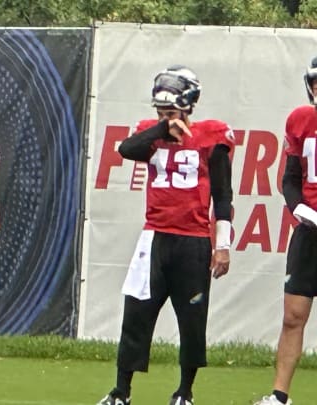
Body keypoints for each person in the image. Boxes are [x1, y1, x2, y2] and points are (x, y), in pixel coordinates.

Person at [96, 65, 234, 405]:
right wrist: (161, 127)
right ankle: (121, 392)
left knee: (191, 320)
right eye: (160, 112)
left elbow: (223, 194)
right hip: (154, 238)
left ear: (188, 107)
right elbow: (126, 149)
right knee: (136, 313)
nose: (165, 117)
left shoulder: (211, 136)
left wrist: (224, 245)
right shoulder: (151, 134)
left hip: (194, 241)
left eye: (170, 112)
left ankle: (185, 392)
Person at [253, 57, 317, 405]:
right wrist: (300, 209)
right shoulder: (301, 120)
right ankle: (279, 397)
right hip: (310, 234)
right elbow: (290, 179)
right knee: (293, 316)